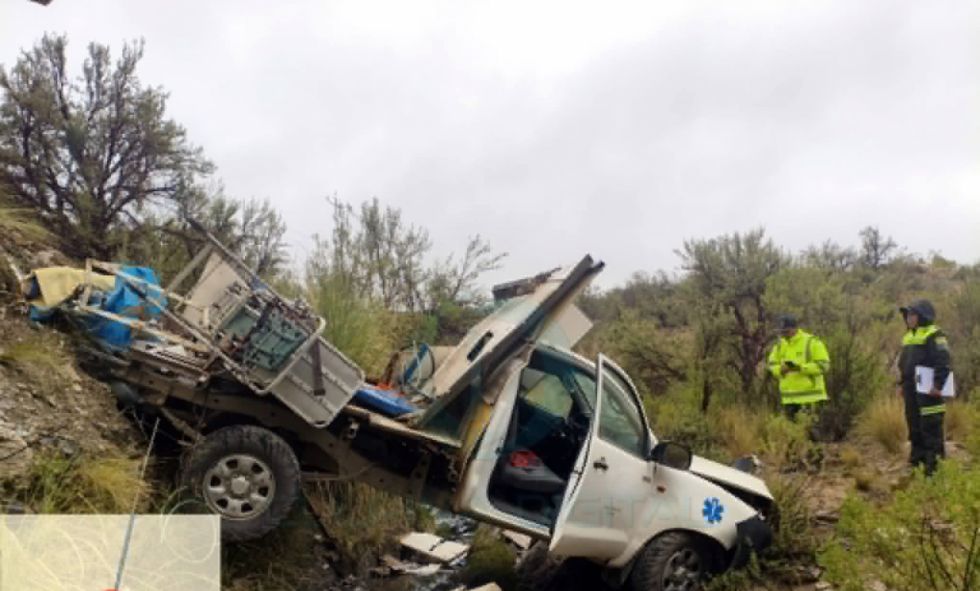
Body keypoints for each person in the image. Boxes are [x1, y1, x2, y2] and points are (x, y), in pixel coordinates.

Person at [897, 300, 951, 476]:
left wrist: (938, 384)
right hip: (911, 389)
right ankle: (917, 467)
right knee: (914, 428)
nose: (908, 318)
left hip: (929, 390)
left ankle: (933, 473)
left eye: (912, 314)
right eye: (907, 315)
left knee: (931, 429)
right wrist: (902, 384)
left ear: (922, 316)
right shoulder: (908, 337)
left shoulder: (934, 334)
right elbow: (904, 364)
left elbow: (943, 361)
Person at [767, 314, 830, 420]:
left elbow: (824, 366)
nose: (783, 334)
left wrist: (800, 368)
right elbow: (772, 364)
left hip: (811, 399)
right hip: (789, 400)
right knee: (789, 429)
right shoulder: (779, 345)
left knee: (810, 429)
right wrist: (780, 370)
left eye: (786, 331)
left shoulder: (812, 342)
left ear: (794, 328)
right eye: (781, 331)